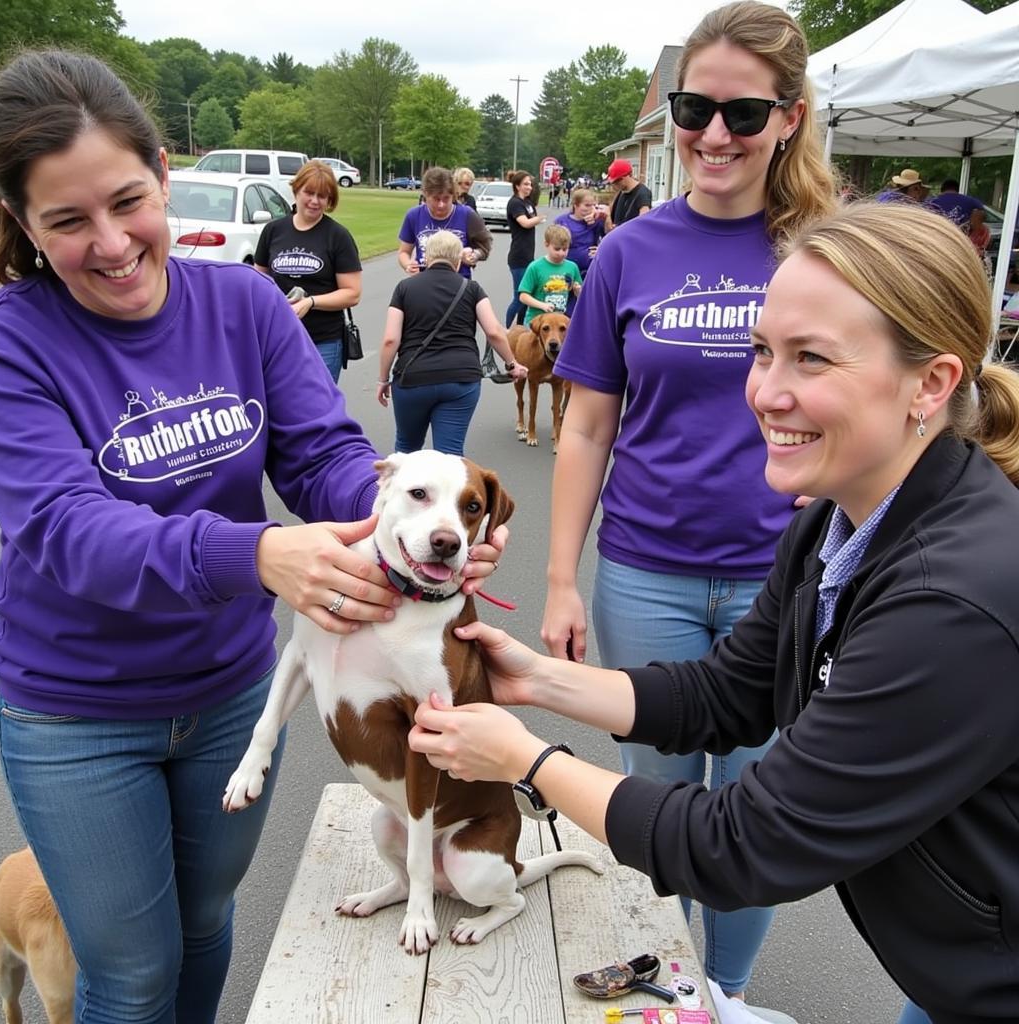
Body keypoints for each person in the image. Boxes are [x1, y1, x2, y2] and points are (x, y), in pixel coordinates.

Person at [411, 201, 1019, 1024]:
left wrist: (527, 761)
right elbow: (728, 693)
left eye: (812, 359)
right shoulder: (832, 521)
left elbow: (746, 846)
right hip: (948, 965)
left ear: (932, 384)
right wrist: (544, 682)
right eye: (762, 352)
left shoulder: (953, 601)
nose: (766, 392)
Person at [0, 50, 505, 1024]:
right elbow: (65, 528)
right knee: (130, 973)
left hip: (226, 693)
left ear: (159, 170)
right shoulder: (12, 338)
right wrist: (256, 553)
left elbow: (321, 454)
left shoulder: (244, 304)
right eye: (66, 220)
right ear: (23, 223)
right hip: (78, 711)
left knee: (199, 924)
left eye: (128, 201)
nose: (109, 243)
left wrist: (408, 514)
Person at [538, 0, 836, 1006]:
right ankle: (663, 977)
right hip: (644, 570)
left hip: (784, 576)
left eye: (743, 114)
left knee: (758, 810)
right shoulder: (627, 250)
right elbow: (584, 428)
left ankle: (726, 991)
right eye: (693, 106)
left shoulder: (830, 253)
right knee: (655, 801)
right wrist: (558, 582)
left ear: (788, 118)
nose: (713, 133)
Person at [377, 230, 526, 455]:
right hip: (461, 379)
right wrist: (511, 363)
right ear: (458, 260)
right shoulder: (472, 289)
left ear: (426, 258)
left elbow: (390, 340)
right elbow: (494, 331)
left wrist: (382, 379)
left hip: (413, 378)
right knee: (450, 453)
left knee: (406, 448)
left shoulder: (404, 289)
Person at [254, 159, 361, 385]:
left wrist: (310, 302)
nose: (314, 201)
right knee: (279, 404)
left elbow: (352, 293)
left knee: (317, 408)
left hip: (323, 342)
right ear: (296, 190)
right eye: (309, 193)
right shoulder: (273, 231)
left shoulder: (337, 236)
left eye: (322, 196)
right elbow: (258, 281)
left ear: (330, 200)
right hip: (278, 338)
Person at [397, 166, 491, 278]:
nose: (441, 204)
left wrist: (473, 255)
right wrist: (408, 264)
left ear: (453, 195)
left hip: (458, 284)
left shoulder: (467, 215)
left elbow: (485, 247)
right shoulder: (414, 216)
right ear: (426, 194)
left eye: (446, 198)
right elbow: (403, 252)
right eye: (436, 199)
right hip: (424, 283)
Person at [504, 169, 546, 327]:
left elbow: (531, 218)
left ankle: (520, 328)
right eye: (526, 184)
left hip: (529, 256)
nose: (529, 187)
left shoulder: (527, 202)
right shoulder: (515, 203)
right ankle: (506, 330)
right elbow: (525, 223)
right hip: (518, 257)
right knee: (519, 297)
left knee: (526, 296)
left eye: (530, 184)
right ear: (517, 186)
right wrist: (539, 218)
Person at [518, 224, 583, 321]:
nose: (561, 253)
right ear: (546, 244)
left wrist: (578, 290)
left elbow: (581, 295)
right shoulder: (535, 267)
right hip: (537, 320)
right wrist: (542, 305)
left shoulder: (572, 267)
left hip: (558, 321)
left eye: (565, 249)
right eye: (557, 249)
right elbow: (523, 296)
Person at [553, 187, 606, 277]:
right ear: (576, 205)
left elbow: (610, 237)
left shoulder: (597, 221)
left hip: (589, 269)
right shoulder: (562, 221)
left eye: (593, 205)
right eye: (587, 205)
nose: (591, 208)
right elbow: (554, 245)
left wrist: (601, 250)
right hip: (567, 269)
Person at [603, 158, 652, 230]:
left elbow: (643, 222)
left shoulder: (642, 193)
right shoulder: (622, 191)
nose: (614, 185)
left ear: (627, 176)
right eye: (613, 183)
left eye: (617, 181)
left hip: (630, 237)